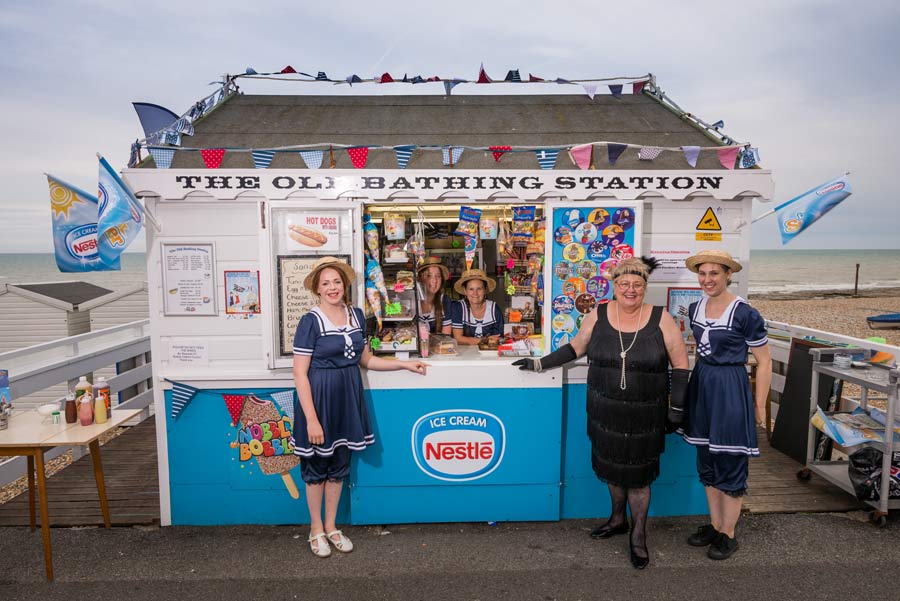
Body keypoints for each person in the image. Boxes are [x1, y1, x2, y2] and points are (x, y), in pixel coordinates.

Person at [513, 257, 690, 570]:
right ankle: (617, 519)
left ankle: (638, 534)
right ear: (615, 286)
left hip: (645, 415)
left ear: (645, 287)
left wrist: (676, 408)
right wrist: (540, 363)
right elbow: (575, 347)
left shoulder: (662, 319)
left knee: (638, 477)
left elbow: (680, 365)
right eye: (624, 284)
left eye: (637, 284)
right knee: (611, 467)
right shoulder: (599, 314)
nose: (630, 290)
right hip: (605, 410)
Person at [292, 256, 429, 558]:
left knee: (339, 466)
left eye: (337, 282)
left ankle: (331, 526)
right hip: (319, 400)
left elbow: (365, 360)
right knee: (316, 467)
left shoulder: (355, 314)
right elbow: (300, 373)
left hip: (347, 397)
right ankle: (315, 529)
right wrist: (312, 419)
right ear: (317, 288)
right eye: (325, 283)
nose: (332, 287)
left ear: (345, 284)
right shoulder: (310, 321)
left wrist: (404, 364)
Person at [681, 250, 771, 561]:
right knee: (706, 459)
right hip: (703, 384)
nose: (707, 280)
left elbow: (765, 361)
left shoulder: (744, 313)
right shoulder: (695, 308)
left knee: (731, 459)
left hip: (731, 386)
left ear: (728, 275)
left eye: (714, 274)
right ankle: (717, 524)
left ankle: (729, 534)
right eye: (702, 274)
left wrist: (759, 405)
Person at [450, 269, 504, 346]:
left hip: (489, 355)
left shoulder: (494, 309)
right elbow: (458, 339)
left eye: (479, 289)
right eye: (471, 289)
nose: (475, 293)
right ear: (465, 291)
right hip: (464, 356)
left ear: (485, 290)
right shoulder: (458, 308)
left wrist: (471, 340)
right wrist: (485, 340)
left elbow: (497, 339)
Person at [417, 256, 452, 335]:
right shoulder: (412, 300)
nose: (434, 280)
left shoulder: (445, 301)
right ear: (420, 278)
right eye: (429, 276)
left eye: (438, 276)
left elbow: (446, 336)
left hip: (439, 347)